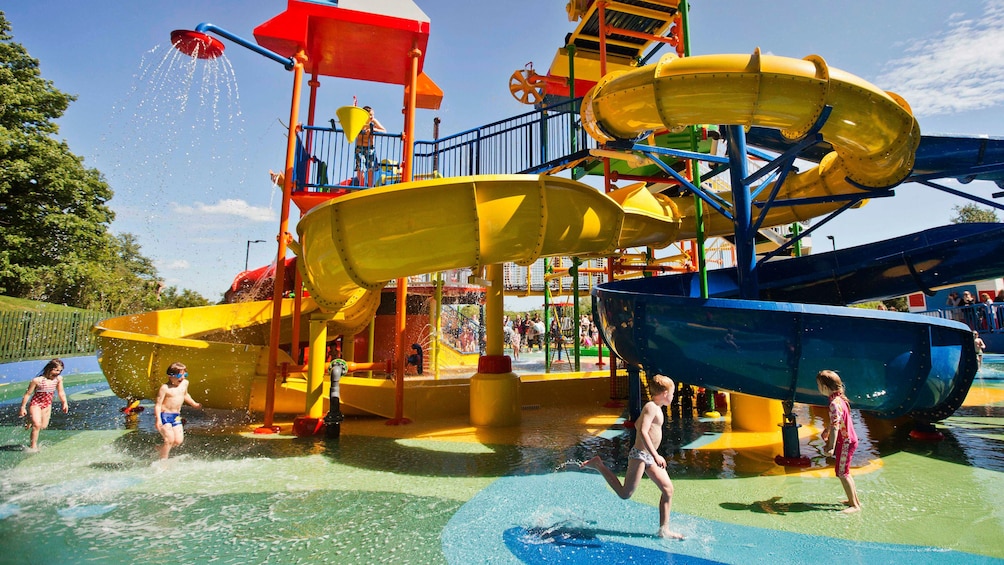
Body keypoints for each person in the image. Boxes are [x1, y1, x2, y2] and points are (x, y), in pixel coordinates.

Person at [580, 374, 685, 539]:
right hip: (640, 456)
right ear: (665, 393)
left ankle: (664, 530)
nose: (673, 396)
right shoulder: (651, 407)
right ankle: (598, 465)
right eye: (672, 393)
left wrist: (653, 455)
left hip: (649, 457)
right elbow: (642, 430)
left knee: (668, 490)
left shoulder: (656, 409)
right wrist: (655, 454)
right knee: (625, 494)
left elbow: (637, 424)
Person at [816, 369, 861, 513]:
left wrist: (830, 447)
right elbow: (836, 422)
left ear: (824, 387)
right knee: (845, 472)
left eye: (819, 385)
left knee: (842, 473)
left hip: (846, 442)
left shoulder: (834, 404)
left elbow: (836, 427)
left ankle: (854, 506)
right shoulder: (840, 399)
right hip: (849, 440)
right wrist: (827, 430)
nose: (818, 388)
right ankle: (853, 500)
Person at [154, 362, 202, 459]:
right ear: (170, 376)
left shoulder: (185, 383)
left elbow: (185, 395)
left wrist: (194, 404)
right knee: (169, 440)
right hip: (165, 416)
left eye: (185, 375)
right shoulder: (165, 388)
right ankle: (163, 461)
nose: (183, 377)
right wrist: (158, 419)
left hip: (176, 416)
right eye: (180, 375)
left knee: (178, 441)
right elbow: (158, 405)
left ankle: (162, 449)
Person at [18, 359, 68, 451]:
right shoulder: (37, 381)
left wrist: (64, 402)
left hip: (47, 405)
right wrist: (23, 407)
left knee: (43, 426)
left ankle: (30, 419)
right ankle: (33, 446)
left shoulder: (58, 379)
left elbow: (61, 392)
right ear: (49, 369)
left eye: (60, 371)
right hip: (35, 404)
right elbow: (28, 394)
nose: (58, 373)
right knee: (37, 425)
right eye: (56, 370)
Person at [354, 105, 386, 187]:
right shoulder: (359, 121)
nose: (372, 117)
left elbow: (384, 131)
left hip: (370, 148)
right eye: (370, 115)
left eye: (373, 115)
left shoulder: (373, 122)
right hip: (360, 148)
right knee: (360, 169)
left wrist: (374, 129)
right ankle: (361, 186)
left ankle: (370, 187)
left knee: (370, 170)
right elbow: (352, 129)